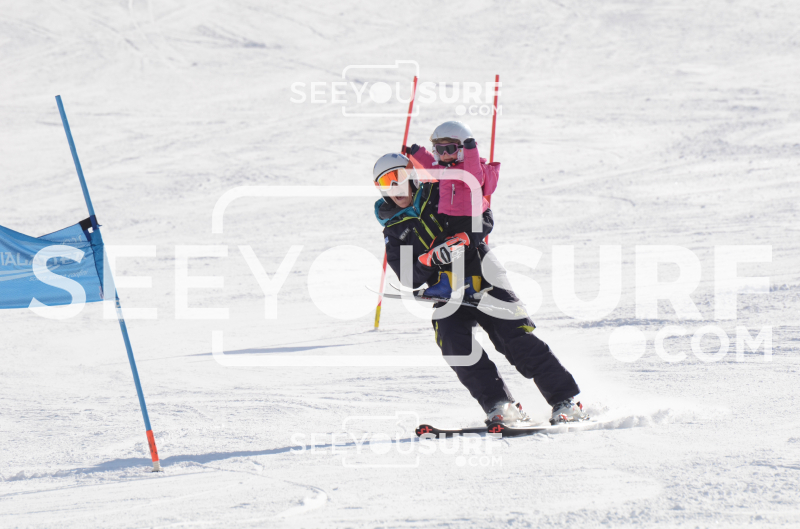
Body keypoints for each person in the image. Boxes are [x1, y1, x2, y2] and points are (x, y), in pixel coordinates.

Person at [372, 152, 586, 425]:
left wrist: (466, 236)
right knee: (452, 341)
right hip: (447, 290)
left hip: (483, 275)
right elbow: (408, 276)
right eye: (385, 182)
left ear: (411, 174)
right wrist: (427, 261)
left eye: (398, 177)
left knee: (514, 338)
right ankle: (501, 405)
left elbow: (483, 214)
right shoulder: (393, 228)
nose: (395, 187)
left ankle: (566, 401)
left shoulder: (440, 192)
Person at [403, 121, 499, 300]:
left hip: (468, 218)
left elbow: (475, 177)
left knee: (465, 252)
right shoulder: (444, 168)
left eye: (450, 148)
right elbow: (430, 166)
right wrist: (416, 152)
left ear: (462, 149)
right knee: (446, 250)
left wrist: (471, 151)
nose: (444, 154)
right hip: (450, 218)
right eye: (439, 150)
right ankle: (449, 283)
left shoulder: (468, 169)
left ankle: (471, 286)